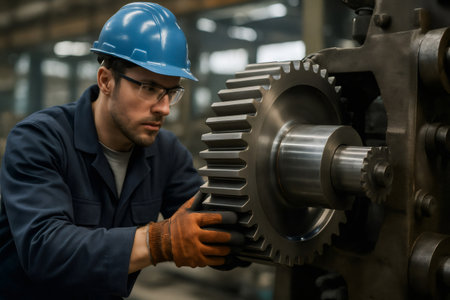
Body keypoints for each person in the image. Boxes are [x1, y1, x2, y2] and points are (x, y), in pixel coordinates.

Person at [0, 2, 237, 299]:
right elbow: (45, 250)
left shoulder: (166, 153)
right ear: (106, 80)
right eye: (149, 88)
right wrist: (158, 242)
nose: (164, 108)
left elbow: (214, 225)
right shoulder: (38, 140)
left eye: (171, 92)